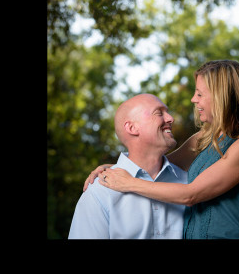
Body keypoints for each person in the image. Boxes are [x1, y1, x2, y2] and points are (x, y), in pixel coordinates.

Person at [88, 60, 239, 239]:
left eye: (199, 94)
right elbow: (156, 167)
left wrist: (128, 182)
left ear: (221, 96)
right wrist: (113, 168)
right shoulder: (206, 137)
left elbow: (190, 195)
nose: (193, 99)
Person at [68, 93, 188, 239]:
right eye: (159, 113)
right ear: (132, 128)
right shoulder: (99, 192)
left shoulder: (190, 182)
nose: (170, 118)